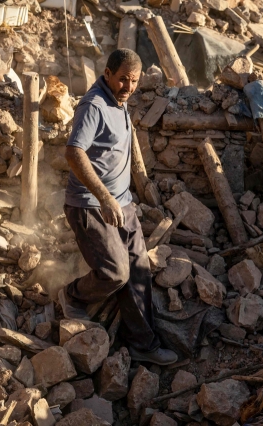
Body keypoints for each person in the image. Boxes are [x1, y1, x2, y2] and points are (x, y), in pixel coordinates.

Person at [59, 49, 178, 366]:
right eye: (122, 78)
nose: (128, 86)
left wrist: (122, 197)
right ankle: (72, 294)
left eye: (134, 80)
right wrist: (104, 197)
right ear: (107, 73)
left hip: (122, 204)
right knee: (116, 273)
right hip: (91, 205)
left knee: (139, 272)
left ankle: (143, 344)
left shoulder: (120, 102)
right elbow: (74, 153)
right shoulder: (94, 105)